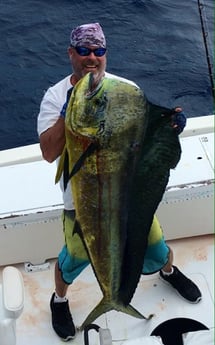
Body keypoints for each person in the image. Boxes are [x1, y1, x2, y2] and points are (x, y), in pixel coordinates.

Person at [37, 23, 202, 341]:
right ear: (72, 53)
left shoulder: (124, 90)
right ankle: (60, 300)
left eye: (98, 51)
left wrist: (168, 127)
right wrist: (66, 113)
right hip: (82, 204)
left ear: (105, 54)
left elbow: (142, 136)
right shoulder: (56, 97)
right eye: (84, 50)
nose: (92, 57)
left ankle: (167, 272)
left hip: (128, 198)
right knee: (74, 258)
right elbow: (48, 152)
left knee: (155, 245)